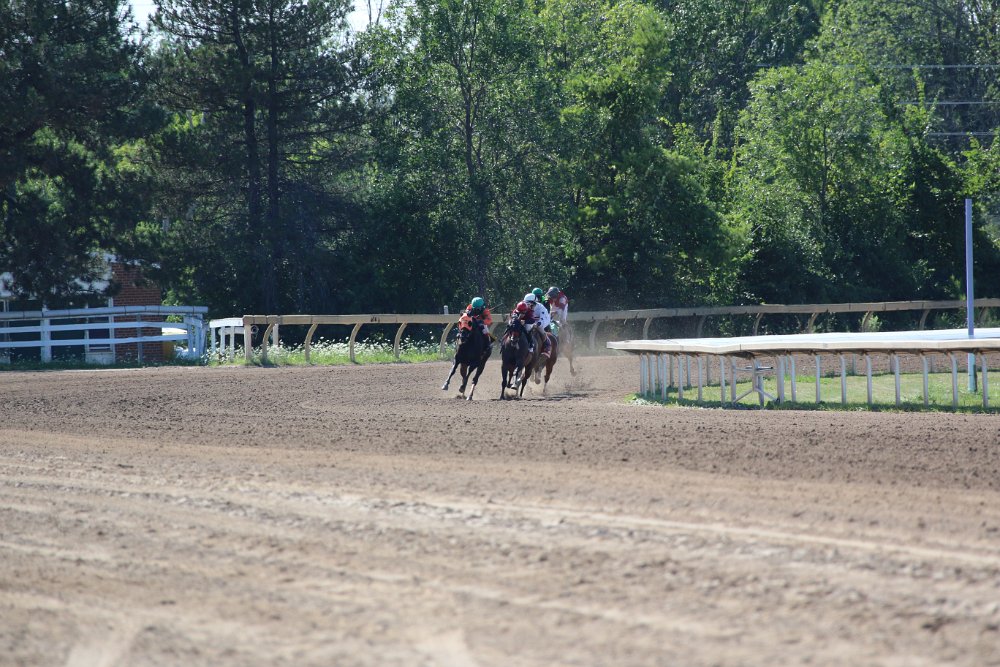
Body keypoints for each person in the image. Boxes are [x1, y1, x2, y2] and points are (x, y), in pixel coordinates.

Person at [523, 292, 552, 358]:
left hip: (542, 320)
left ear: (534, 303)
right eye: (526, 303)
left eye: (529, 303)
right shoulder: (524, 305)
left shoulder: (541, 308)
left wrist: (538, 324)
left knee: (540, 329)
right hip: (530, 320)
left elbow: (543, 318)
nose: (527, 305)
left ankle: (547, 346)